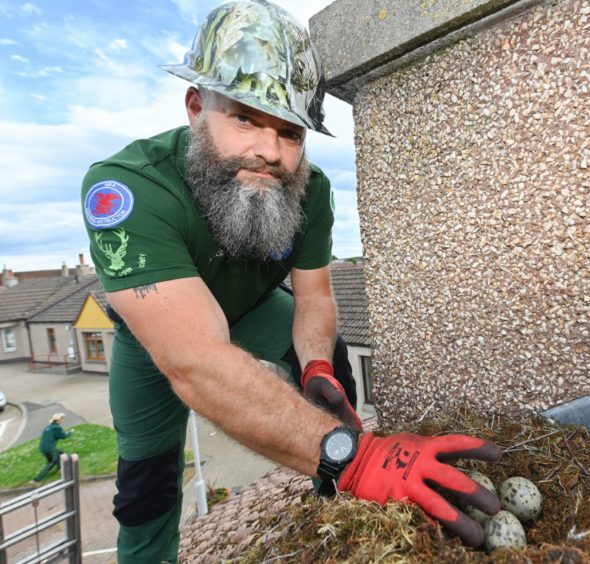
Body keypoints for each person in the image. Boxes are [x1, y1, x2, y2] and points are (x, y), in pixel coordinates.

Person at [80, 1, 501, 562]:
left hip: (253, 307)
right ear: (195, 106)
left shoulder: (309, 189)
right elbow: (196, 359)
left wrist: (316, 364)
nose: (269, 152)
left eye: (290, 131)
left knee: (331, 366)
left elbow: (315, 297)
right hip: (162, 336)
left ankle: (336, 503)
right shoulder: (127, 189)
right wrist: (358, 457)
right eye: (244, 118)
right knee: (146, 483)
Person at [33, 413, 73, 483]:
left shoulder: (48, 427)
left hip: (43, 448)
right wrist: (70, 433)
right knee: (52, 462)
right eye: (62, 419)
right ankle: (36, 480)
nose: (63, 420)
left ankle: (60, 469)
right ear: (58, 420)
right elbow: (63, 436)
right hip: (49, 448)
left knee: (61, 454)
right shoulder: (57, 428)